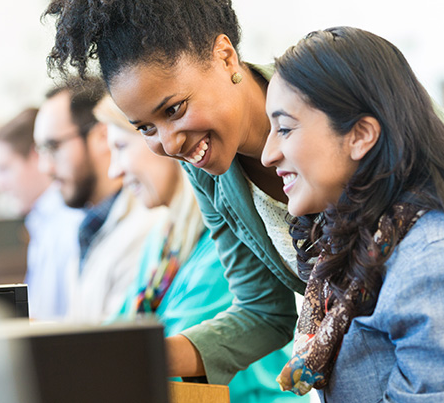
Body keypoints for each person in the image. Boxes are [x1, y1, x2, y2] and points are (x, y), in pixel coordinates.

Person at [42, 0, 444, 387]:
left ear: (224, 56)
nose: (170, 145)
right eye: (144, 128)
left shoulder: (338, 92)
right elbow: (263, 310)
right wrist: (140, 358)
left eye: (174, 109)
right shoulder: (211, 172)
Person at [262, 26, 444, 400]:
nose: (267, 154)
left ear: (360, 135)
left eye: (285, 129)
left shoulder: (435, 262)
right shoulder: (364, 241)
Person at [95, 94, 307, 402]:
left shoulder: (221, 245)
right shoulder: (163, 240)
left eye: (121, 147)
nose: (114, 171)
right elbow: (119, 332)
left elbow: (168, 360)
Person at [33, 77, 162, 322]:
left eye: (53, 147)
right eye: (41, 151)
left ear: (101, 136)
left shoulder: (146, 226)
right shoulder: (89, 225)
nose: (45, 167)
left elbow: (114, 343)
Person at [0, 108, 84, 320]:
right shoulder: (43, 223)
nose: (0, 185)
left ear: (36, 157)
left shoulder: (67, 223)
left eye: (5, 168)